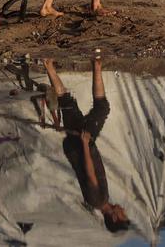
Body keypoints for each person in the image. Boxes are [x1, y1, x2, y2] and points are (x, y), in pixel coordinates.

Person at [44, 55, 131, 234]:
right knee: (80, 104)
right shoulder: (99, 200)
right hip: (80, 146)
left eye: (123, 215)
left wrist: (84, 144)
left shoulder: (98, 201)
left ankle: (91, 64)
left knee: (97, 107)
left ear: (114, 217)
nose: (123, 211)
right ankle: (90, 65)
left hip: (81, 146)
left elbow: (90, 174)